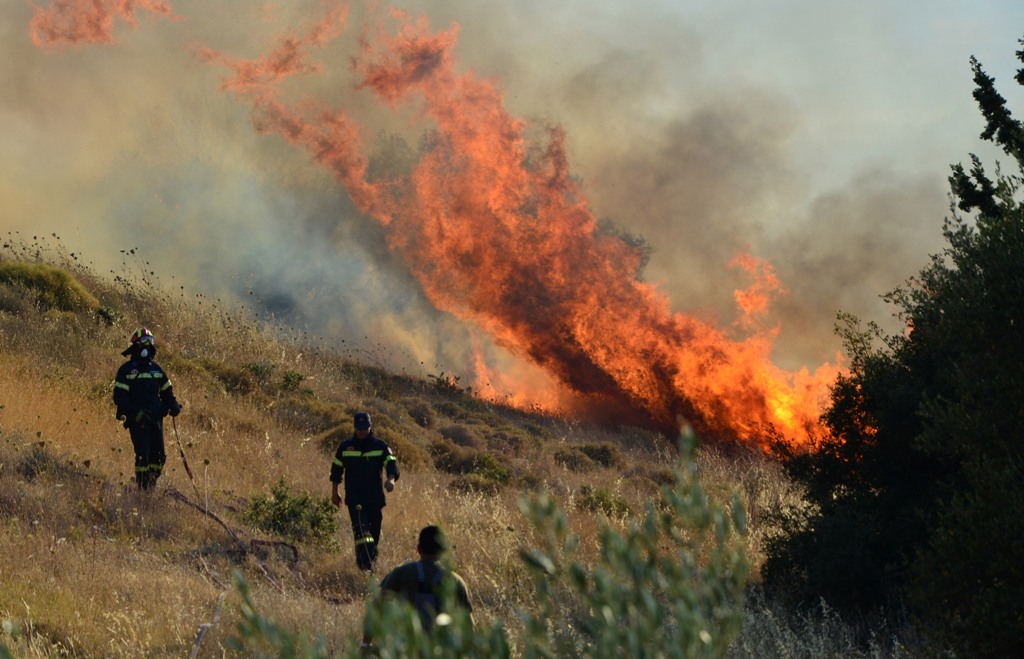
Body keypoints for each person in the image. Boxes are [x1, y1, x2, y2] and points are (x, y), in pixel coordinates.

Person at [361, 525, 474, 651]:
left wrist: (365, 644)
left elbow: (376, 608)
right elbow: (468, 626)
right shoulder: (455, 581)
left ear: (419, 549)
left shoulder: (401, 573)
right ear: (444, 552)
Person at [113, 327, 182, 490]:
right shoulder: (126, 370)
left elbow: (167, 391)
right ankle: (142, 488)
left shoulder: (156, 370)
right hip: (138, 420)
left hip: (155, 418)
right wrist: (135, 415)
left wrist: (173, 405)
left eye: (149, 342)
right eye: (143, 342)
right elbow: (119, 398)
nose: (146, 346)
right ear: (135, 345)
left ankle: (150, 484)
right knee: (143, 455)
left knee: (159, 457)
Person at [330, 411, 399, 571]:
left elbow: (391, 464)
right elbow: (336, 471)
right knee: (361, 531)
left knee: (373, 534)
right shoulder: (345, 447)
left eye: (365, 428)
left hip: (374, 498)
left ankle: (370, 561)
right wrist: (335, 492)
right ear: (354, 427)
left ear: (370, 427)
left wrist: (391, 480)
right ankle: (365, 566)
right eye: (359, 428)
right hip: (355, 498)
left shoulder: (380, 446)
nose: (361, 431)